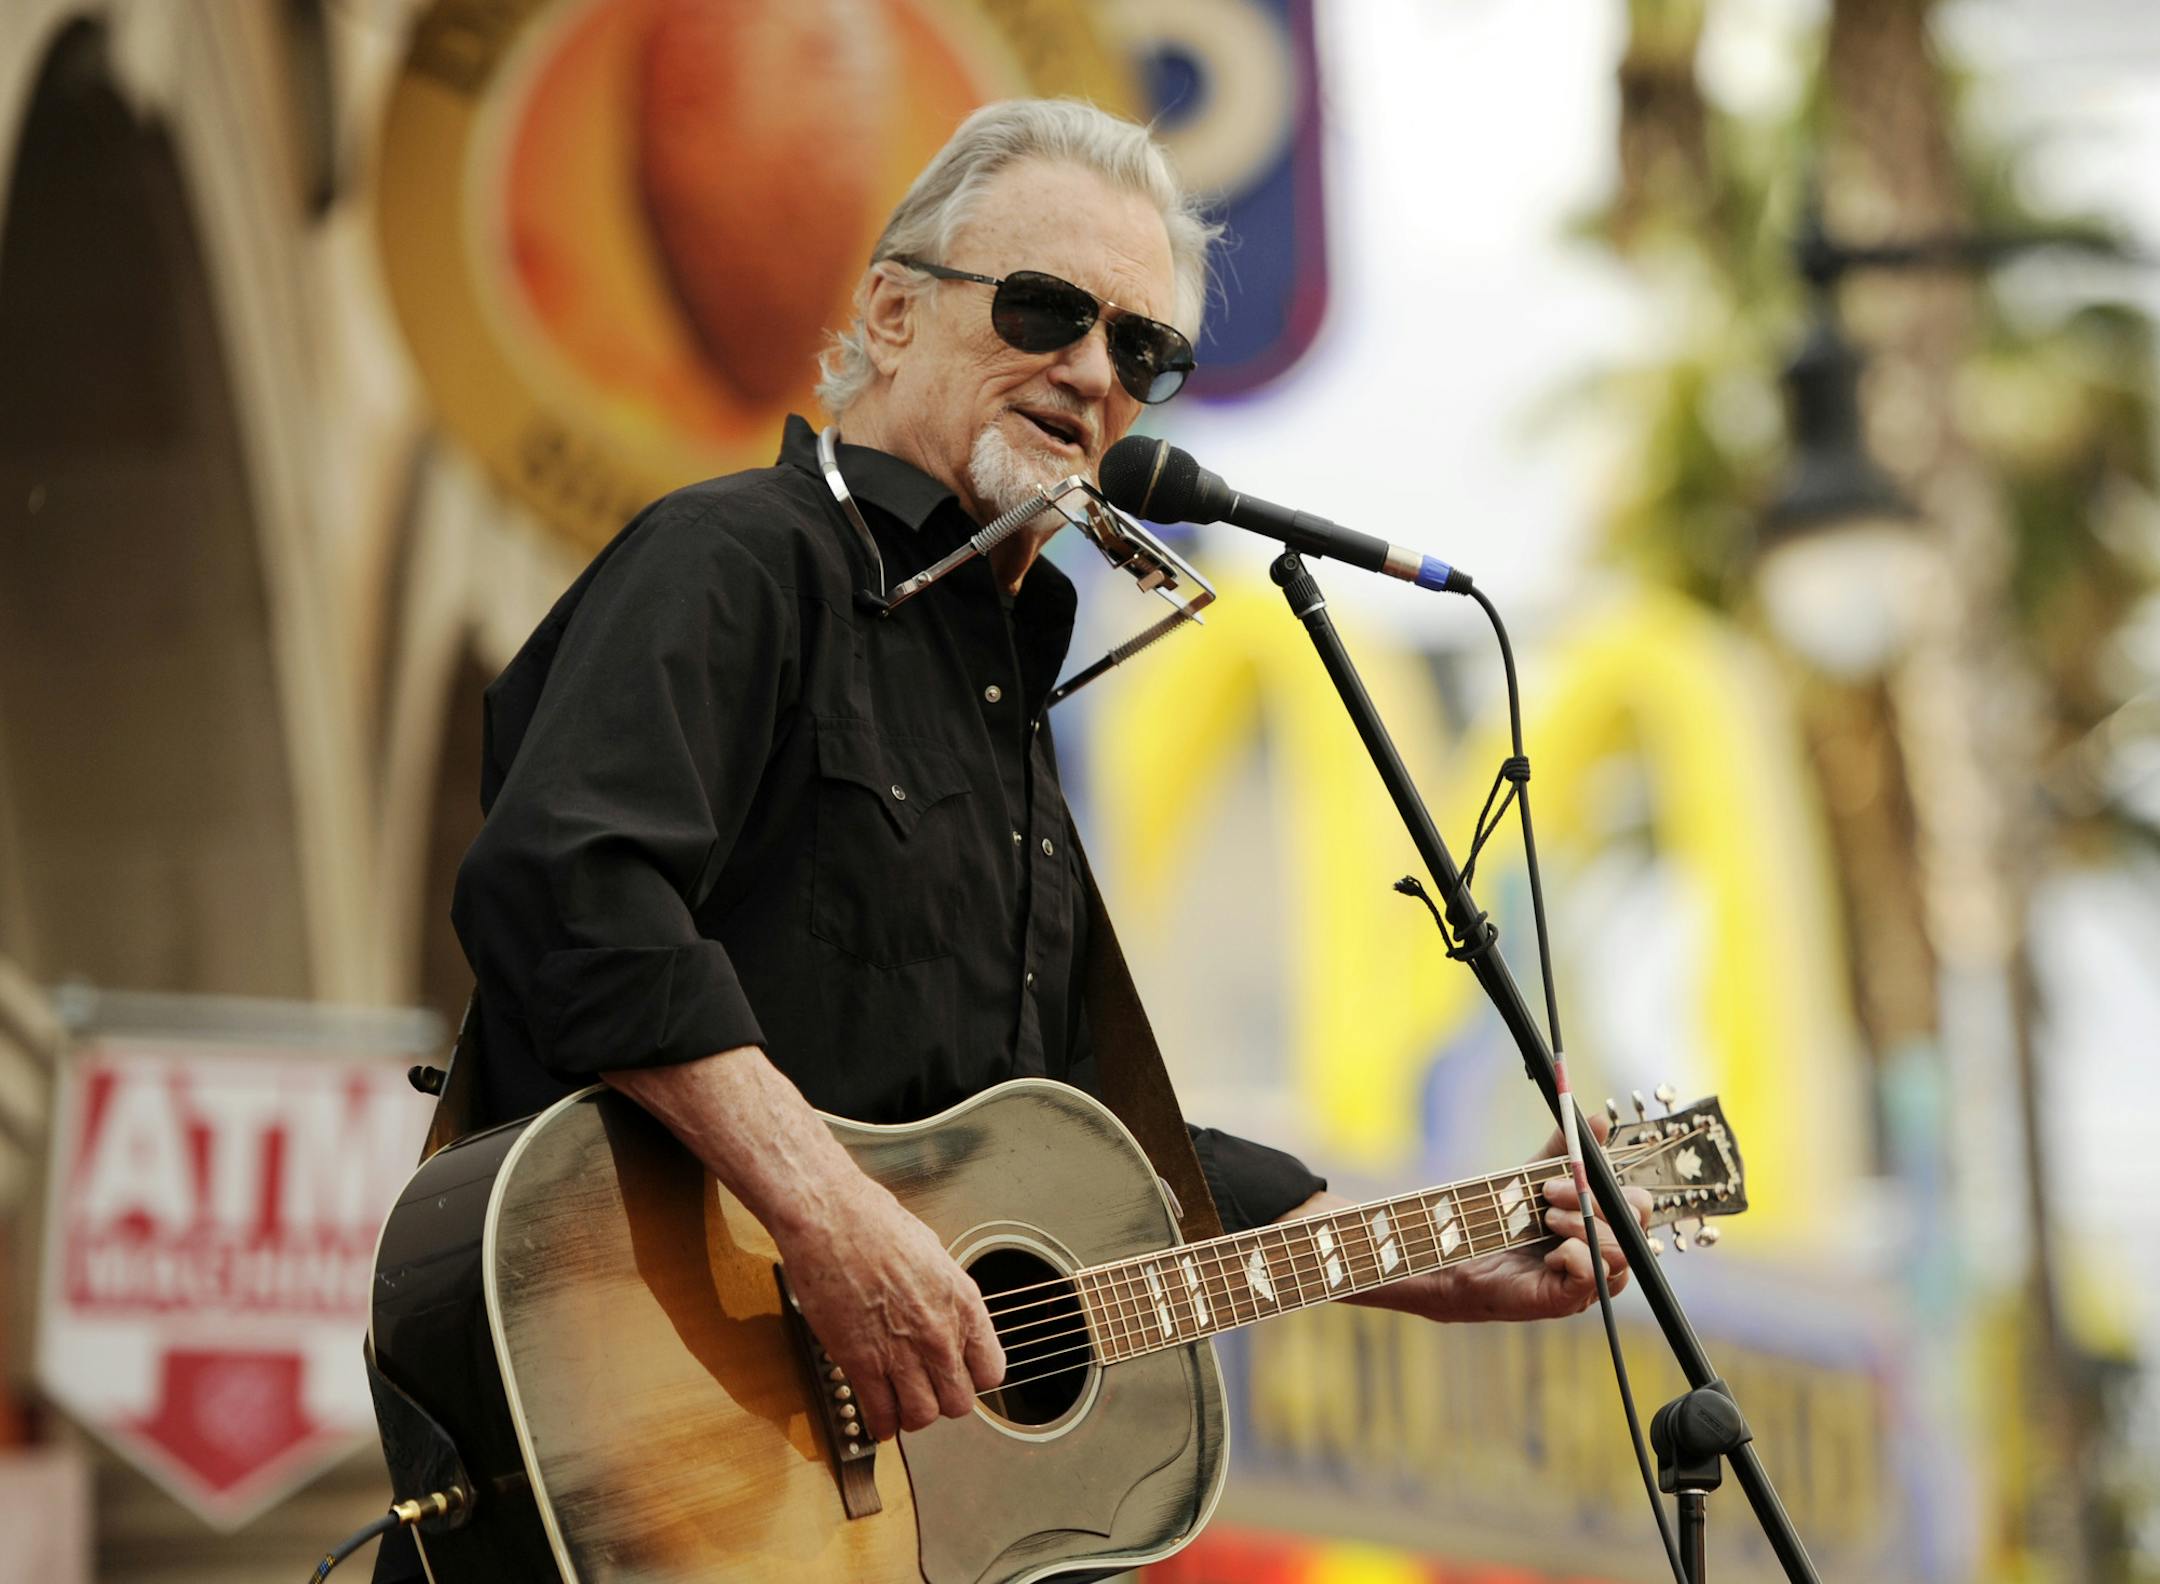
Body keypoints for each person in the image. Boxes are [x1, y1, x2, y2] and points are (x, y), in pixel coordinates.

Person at [385, 97, 1642, 1583]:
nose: (1097, 373)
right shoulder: (737, 559)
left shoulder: (1005, 696)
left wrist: (1430, 1253)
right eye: (1048, 309)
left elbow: (1055, 1142)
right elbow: (562, 887)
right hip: (652, 1448)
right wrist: (830, 1218)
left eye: (1147, 352)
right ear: (893, 312)